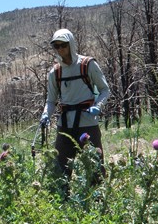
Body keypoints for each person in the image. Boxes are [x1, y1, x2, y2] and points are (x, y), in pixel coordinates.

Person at [40, 28, 110, 182]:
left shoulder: (87, 65)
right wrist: (46, 115)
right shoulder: (55, 72)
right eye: (56, 46)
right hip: (65, 125)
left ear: (70, 44)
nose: (60, 49)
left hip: (88, 123)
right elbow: (51, 100)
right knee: (60, 169)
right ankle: (63, 201)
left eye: (63, 45)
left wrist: (98, 107)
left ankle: (98, 202)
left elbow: (105, 90)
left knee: (95, 166)